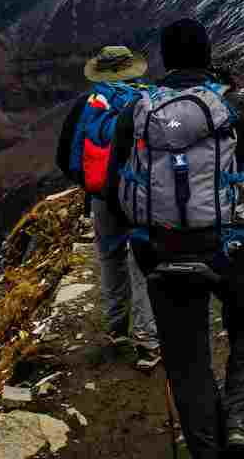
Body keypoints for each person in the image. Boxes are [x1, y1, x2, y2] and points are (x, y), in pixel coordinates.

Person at [107, 18, 244, 459]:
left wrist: (141, 245)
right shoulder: (233, 107)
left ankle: (208, 450)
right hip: (228, 248)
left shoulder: (136, 112)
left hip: (161, 250)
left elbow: (116, 187)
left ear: (165, 61)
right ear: (208, 57)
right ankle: (242, 427)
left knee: (187, 362)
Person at [56, 45, 161, 370]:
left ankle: (117, 329)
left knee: (110, 258)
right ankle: (148, 342)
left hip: (103, 198)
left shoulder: (87, 105)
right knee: (142, 264)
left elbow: (65, 157)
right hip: (143, 197)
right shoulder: (152, 100)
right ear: (134, 69)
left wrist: (93, 184)